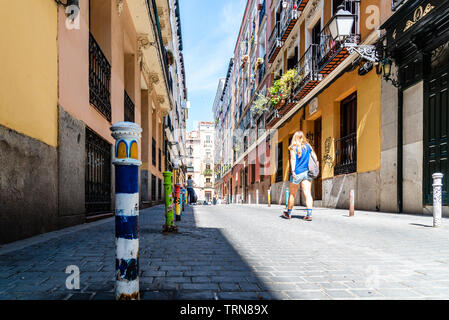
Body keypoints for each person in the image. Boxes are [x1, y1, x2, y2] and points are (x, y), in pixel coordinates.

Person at [283, 131, 318, 221]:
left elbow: (293, 159)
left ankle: (288, 213)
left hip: (297, 173)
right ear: (303, 137)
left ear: (294, 138)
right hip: (307, 173)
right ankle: (309, 214)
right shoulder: (308, 147)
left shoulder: (293, 148)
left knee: (292, 194)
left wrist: (293, 171)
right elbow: (315, 157)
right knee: (307, 194)